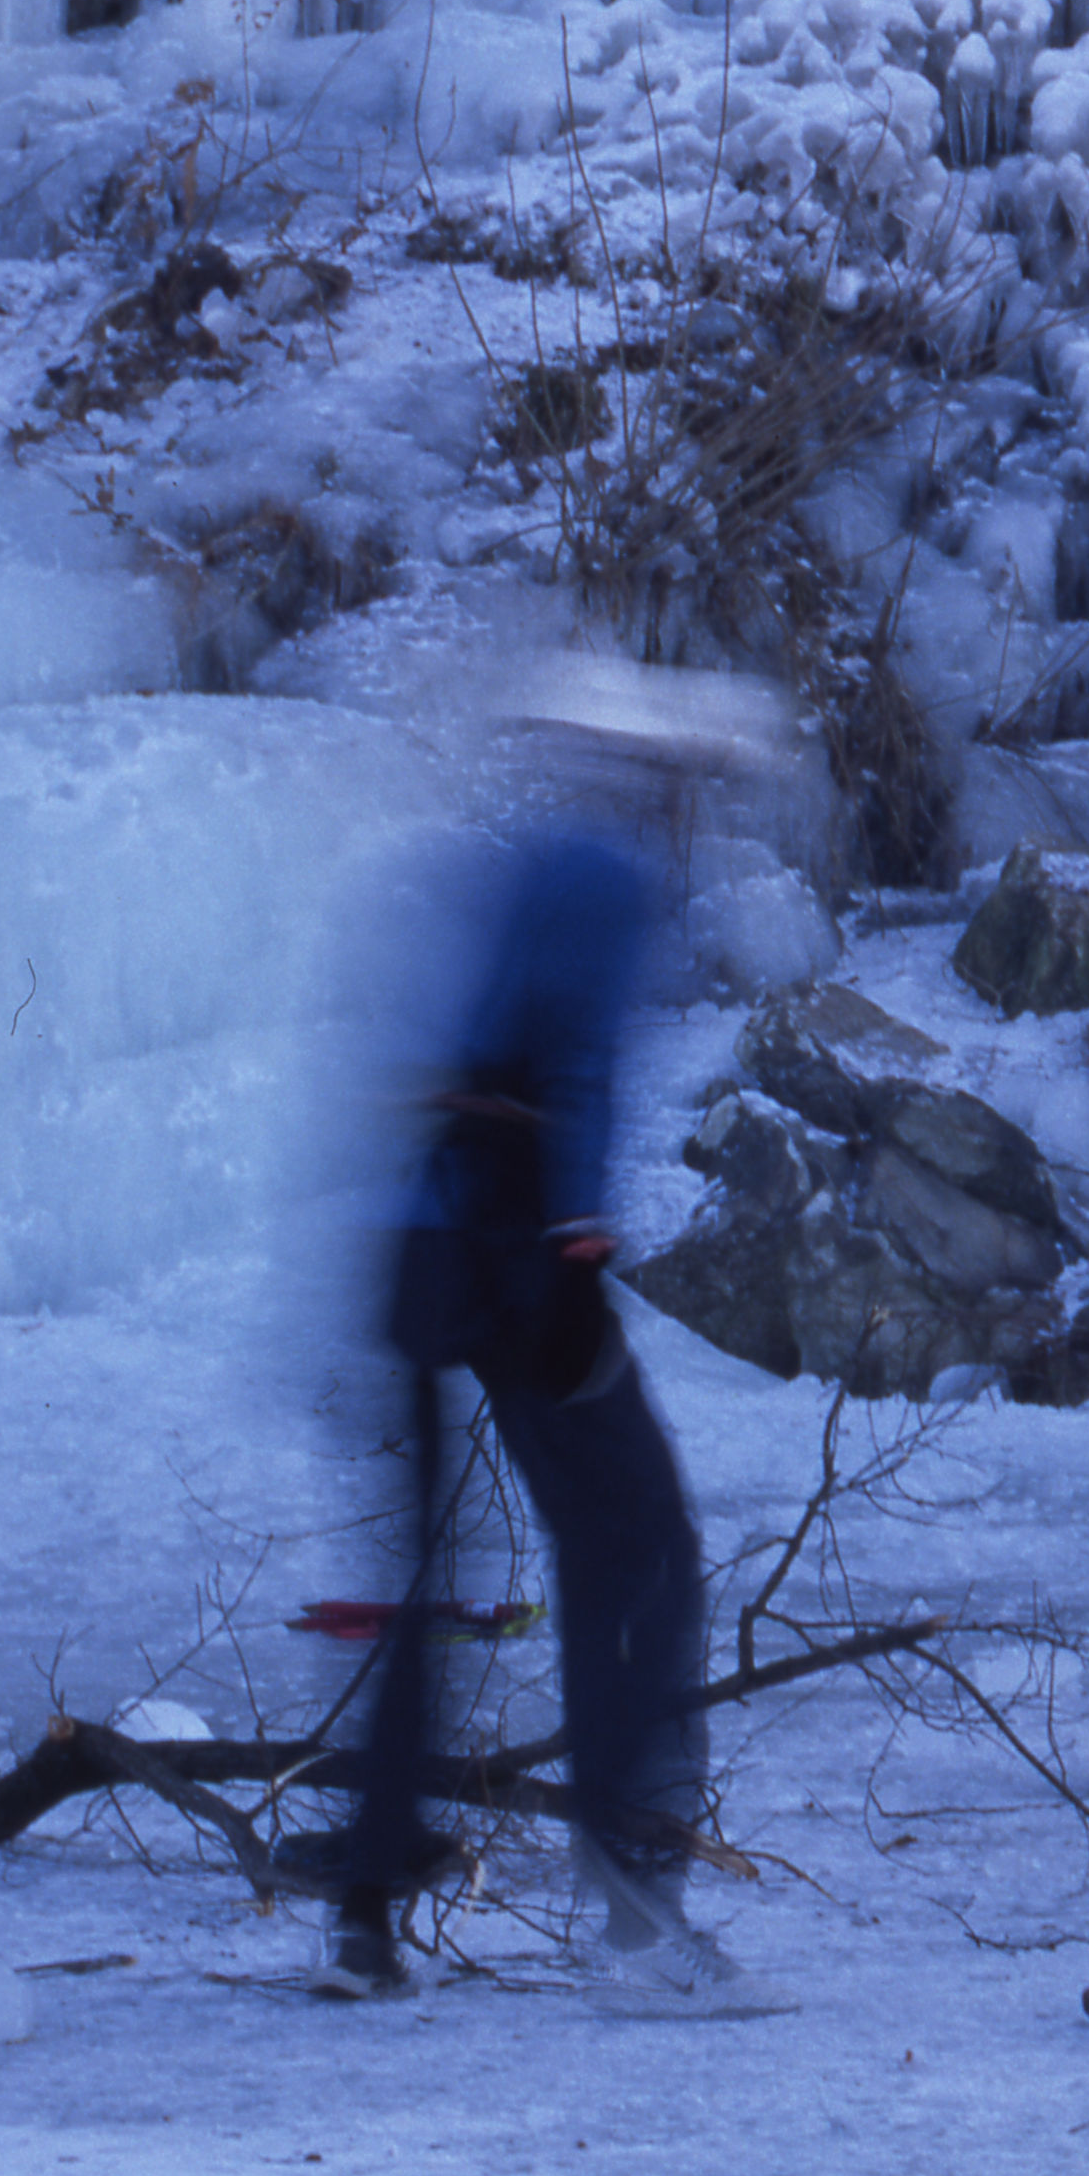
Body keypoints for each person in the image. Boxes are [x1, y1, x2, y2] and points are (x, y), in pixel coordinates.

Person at [321, 660, 770, 2004]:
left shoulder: (516, 868)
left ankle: (364, 1906)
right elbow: (573, 1063)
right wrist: (575, 1235)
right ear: (659, 780)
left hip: (419, 1247)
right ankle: (637, 1891)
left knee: (427, 1583)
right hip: (520, 1252)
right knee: (651, 1547)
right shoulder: (608, 875)